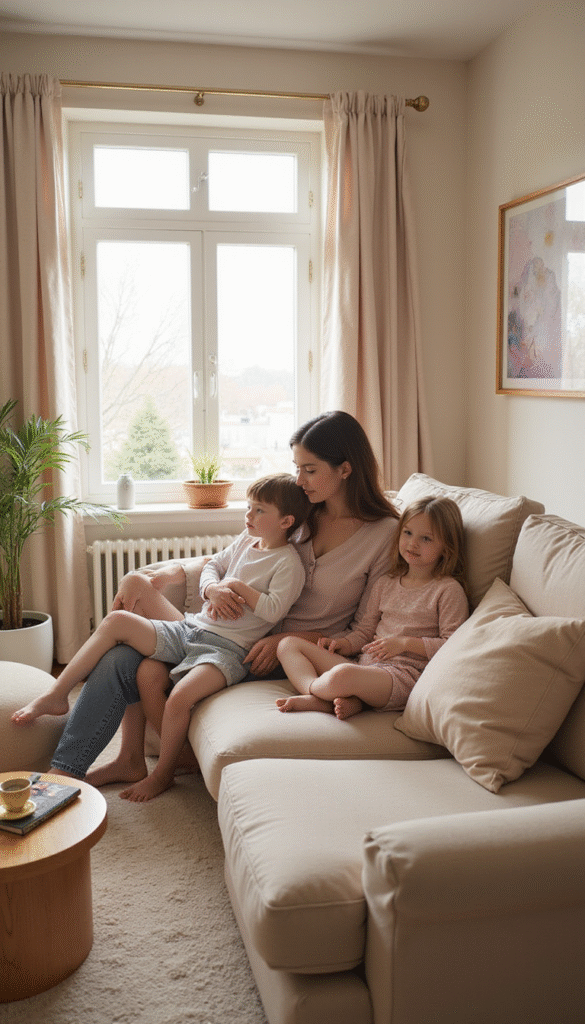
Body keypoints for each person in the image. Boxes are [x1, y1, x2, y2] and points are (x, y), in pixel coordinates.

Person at [26, 411, 399, 788]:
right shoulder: (296, 512)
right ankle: (81, 767)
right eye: (297, 468)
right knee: (124, 655)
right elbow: (229, 559)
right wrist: (202, 585)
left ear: (345, 469)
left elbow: (369, 626)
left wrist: (288, 641)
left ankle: (90, 773)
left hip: (281, 655)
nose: (300, 480)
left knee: (136, 660)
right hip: (232, 631)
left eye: (310, 470)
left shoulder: (384, 534)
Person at [13, 474, 308, 799]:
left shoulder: (288, 563)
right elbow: (212, 565)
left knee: (179, 696)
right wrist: (212, 588)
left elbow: (273, 610)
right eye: (249, 507)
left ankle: (163, 774)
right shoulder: (245, 541)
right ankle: (58, 694)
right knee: (117, 622)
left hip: (228, 651)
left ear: (286, 521)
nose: (248, 515)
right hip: (193, 629)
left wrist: (236, 586)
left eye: (259, 510)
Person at [276, 496, 469, 718]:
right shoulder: (385, 583)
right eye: (407, 533)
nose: (412, 543)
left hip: (402, 676)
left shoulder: (448, 590)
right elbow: (365, 631)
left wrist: (405, 644)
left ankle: (323, 695)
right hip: (365, 666)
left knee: (343, 675)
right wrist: (343, 644)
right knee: (288, 644)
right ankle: (318, 692)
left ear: (446, 547)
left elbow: (453, 646)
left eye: (426, 538)